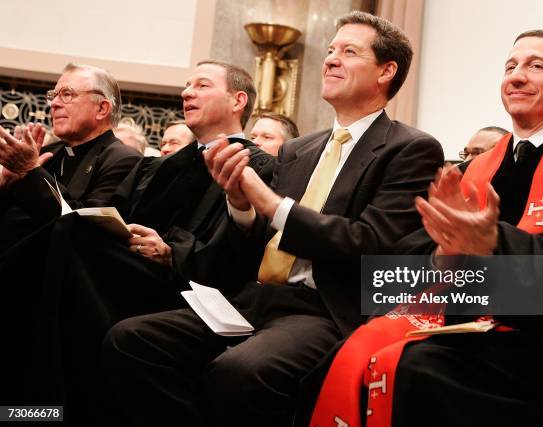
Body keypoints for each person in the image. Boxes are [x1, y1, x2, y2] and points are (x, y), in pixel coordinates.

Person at [103, 11, 443, 427]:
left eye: (349, 52)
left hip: (322, 308)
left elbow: (369, 241)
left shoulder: (410, 148)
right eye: (331, 50)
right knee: (130, 340)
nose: (331, 59)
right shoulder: (299, 149)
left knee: (240, 372)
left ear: (386, 71)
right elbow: (253, 243)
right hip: (254, 296)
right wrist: (240, 205)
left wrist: (269, 202)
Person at [310, 30, 543, 427]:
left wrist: (492, 252)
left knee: (419, 370)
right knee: (340, 355)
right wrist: (443, 256)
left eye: (536, 66)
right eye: (510, 67)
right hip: (455, 321)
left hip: (542, 342)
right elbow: (392, 273)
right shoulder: (469, 172)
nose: (517, 76)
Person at [0, 60, 274, 424]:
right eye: (186, 85)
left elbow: (240, 253)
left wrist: (170, 252)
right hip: (131, 265)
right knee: (67, 234)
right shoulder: (161, 165)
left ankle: (45, 410)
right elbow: (111, 215)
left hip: (188, 284)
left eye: (202, 85)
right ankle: (35, 406)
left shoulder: (257, 165)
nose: (186, 92)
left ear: (238, 100)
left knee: (68, 240)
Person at [0, 63, 141, 251]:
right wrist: (6, 184)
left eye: (67, 94)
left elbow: (85, 230)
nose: (54, 104)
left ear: (102, 109)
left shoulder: (124, 160)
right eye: (53, 95)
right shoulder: (47, 152)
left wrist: (31, 172)